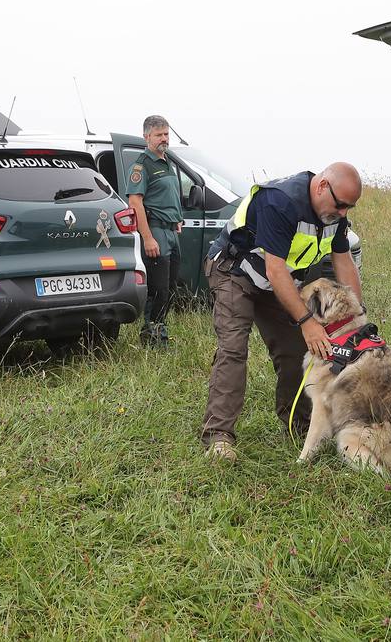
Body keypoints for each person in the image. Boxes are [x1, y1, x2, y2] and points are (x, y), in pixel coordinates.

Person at [200, 162, 363, 461]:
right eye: (341, 205)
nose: (343, 214)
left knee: (297, 351)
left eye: (349, 208)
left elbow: (344, 261)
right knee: (234, 348)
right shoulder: (281, 201)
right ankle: (219, 437)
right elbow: (275, 269)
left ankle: (299, 426)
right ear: (322, 186)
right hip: (235, 272)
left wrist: (357, 317)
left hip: (276, 282)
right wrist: (305, 320)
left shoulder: (335, 216)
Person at [126, 115, 183, 347]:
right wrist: (147, 238)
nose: (164, 139)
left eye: (166, 134)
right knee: (158, 289)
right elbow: (135, 203)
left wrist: (176, 219)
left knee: (170, 287)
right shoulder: (141, 165)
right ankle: (151, 336)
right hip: (155, 231)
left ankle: (160, 330)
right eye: (159, 135)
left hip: (172, 232)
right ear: (146, 136)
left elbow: (168, 195)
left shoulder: (167, 161)